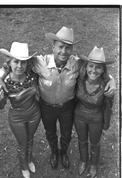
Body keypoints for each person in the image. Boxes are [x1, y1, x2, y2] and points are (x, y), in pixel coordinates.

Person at [0, 26, 116, 170]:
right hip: (46, 107)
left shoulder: (77, 63)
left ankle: (64, 152)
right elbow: (13, 63)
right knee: (50, 132)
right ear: (53, 46)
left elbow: (96, 68)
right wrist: (1, 76)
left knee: (66, 133)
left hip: (67, 107)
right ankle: (54, 152)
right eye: (60, 47)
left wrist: (111, 80)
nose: (63, 51)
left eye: (68, 48)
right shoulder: (39, 62)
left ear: (72, 49)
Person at [0, 42, 41, 178]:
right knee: (22, 143)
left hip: (35, 114)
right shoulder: (4, 81)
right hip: (17, 118)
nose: (19, 66)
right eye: (16, 62)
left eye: (23, 62)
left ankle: (29, 160)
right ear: (9, 62)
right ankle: (23, 166)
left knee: (30, 139)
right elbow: (1, 106)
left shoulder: (32, 74)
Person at [74, 46, 114, 178]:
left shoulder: (106, 85)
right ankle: (84, 160)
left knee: (95, 143)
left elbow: (109, 106)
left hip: (96, 118)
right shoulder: (79, 79)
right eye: (91, 66)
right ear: (86, 66)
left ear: (103, 70)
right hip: (79, 115)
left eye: (98, 67)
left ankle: (93, 164)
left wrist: (106, 122)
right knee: (82, 140)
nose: (94, 70)